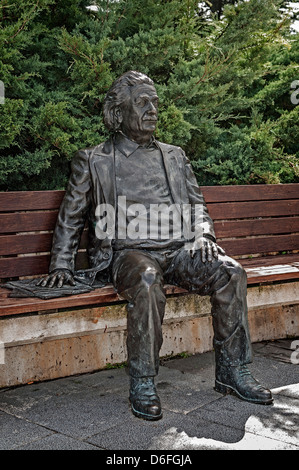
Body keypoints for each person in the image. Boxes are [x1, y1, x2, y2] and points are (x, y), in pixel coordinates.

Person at [38, 71, 273, 421]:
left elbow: (197, 208)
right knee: (147, 280)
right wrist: (60, 265)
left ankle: (233, 371)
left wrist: (203, 236)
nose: (152, 110)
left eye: (155, 103)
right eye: (142, 103)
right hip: (128, 255)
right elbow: (70, 217)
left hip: (179, 250)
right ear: (118, 113)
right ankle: (144, 382)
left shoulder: (175, 156)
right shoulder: (94, 160)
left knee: (230, 271)